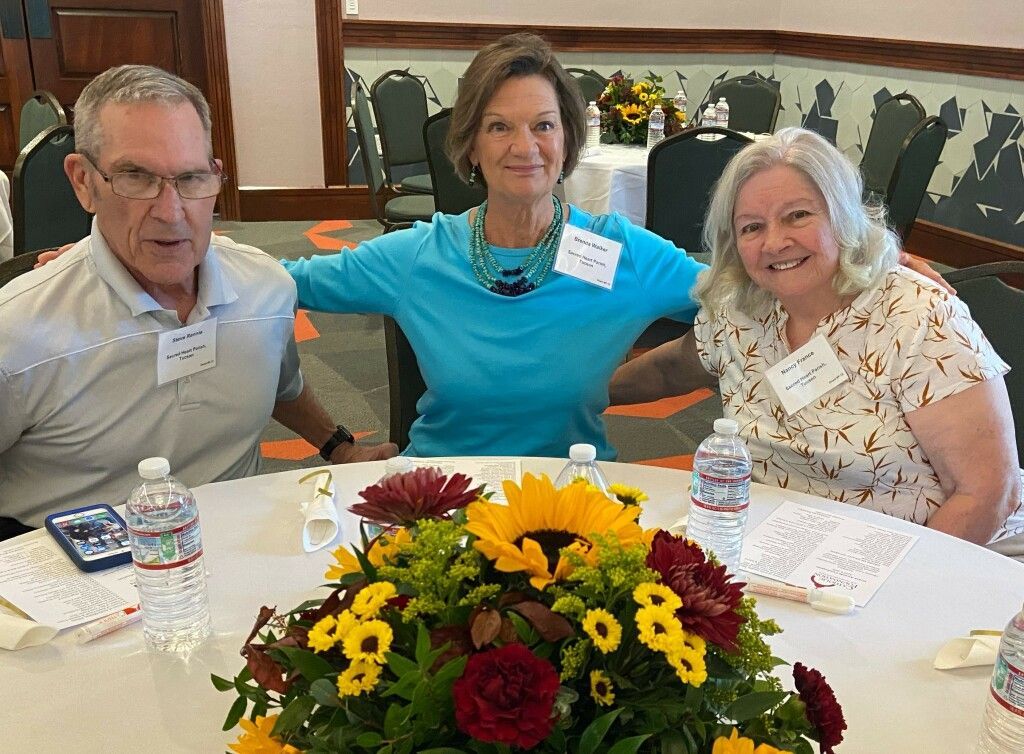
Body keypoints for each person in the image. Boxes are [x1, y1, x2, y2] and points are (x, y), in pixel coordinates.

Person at [0, 65, 395, 540]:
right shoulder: (17, 333)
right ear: (83, 181)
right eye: (136, 178)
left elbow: (278, 386)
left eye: (190, 178)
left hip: (235, 540)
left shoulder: (265, 289)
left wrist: (340, 449)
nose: (170, 212)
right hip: (65, 572)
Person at [282, 33, 705, 459]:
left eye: (543, 125)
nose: (524, 147)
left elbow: (738, 304)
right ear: (471, 146)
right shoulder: (419, 255)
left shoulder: (619, 252)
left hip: (572, 498)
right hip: (442, 498)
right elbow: (279, 283)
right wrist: (335, 445)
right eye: (499, 126)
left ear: (567, 139)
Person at [610, 127, 1024, 555]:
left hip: (942, 555)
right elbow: (671, 367)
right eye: (752, 227)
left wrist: (893, 585)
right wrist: (584, 395)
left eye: (798, 216)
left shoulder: (917, 317)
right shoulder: (740, 309)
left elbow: (989, 493)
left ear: (843, 215)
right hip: (789, 547)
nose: (775, 242)